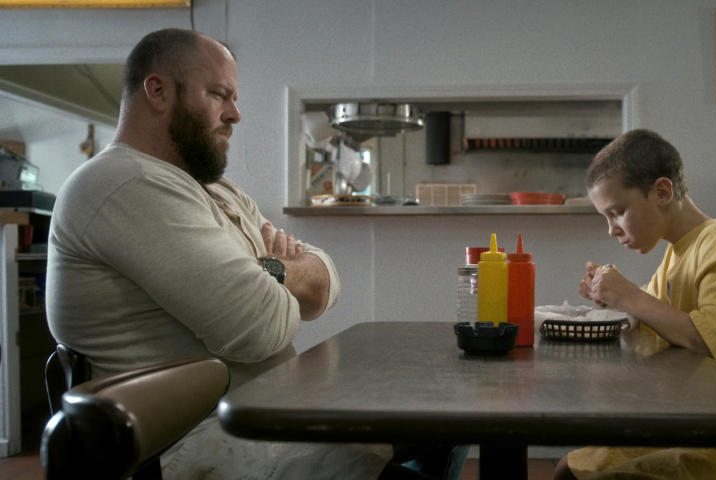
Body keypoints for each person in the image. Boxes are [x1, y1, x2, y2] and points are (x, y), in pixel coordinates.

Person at [45, 28, 434, 479]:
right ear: (157, 91)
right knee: (414, 448)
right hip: (192, 445)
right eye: (219, 95)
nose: (236, 114)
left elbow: (328, 282)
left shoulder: (217, 191)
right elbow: (262, 328)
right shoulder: (123, 183)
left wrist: (270, 271)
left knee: (424, 428)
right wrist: (287, 274)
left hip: (255, 425)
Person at [554, 129, 716, 480]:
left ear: (662, 191)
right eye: (606, 218)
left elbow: (712, 343)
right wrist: (611, 299)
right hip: (697, 423)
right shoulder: (674, 256)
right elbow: (654, 331)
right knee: (570, 467)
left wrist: (629, 295)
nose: (611, 230)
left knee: (582, 475)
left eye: (617, 212)